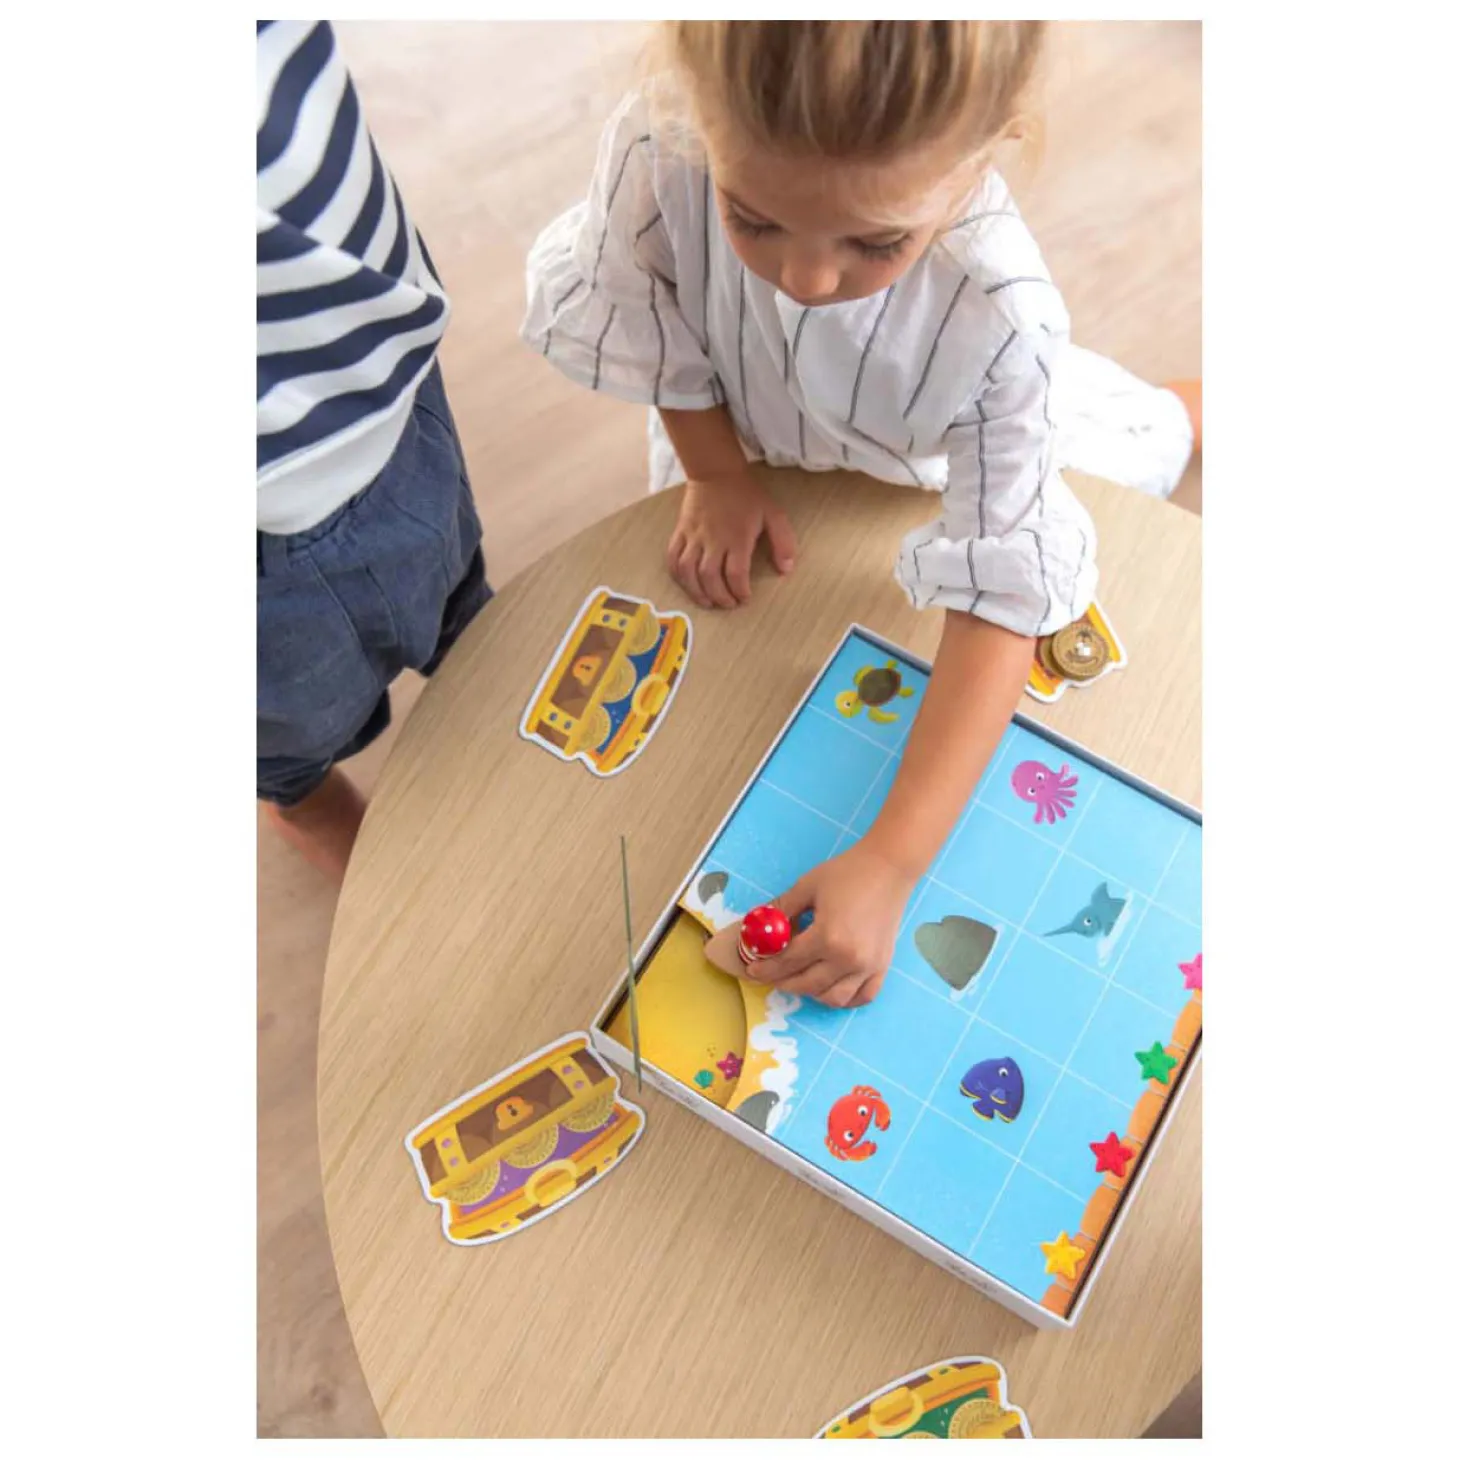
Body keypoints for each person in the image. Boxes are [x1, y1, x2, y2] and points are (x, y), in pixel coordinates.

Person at [522, 20, 1199, 1006]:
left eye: (876, 241)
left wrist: (890, 860)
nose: (804, 281)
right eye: (750, 217)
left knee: (1137, 437)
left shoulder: (1002, 321)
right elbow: (650, 313)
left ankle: (1188, 407)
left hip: (924, 456)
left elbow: (1000, 593)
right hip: (742, 440)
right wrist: (715, 473)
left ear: (989, 150)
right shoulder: (658, 141)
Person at [257, 20, 490, 880]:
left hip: (381, 367)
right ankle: (307, 803)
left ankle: (485, 664)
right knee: (287, 737)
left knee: (459, 593)